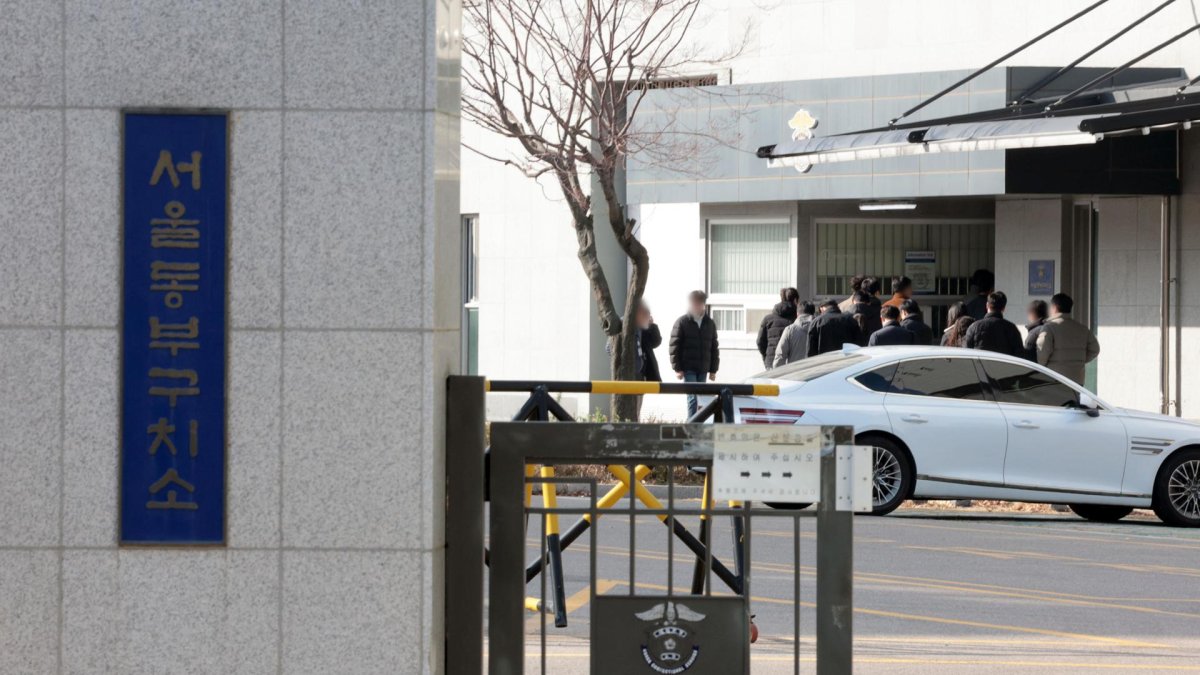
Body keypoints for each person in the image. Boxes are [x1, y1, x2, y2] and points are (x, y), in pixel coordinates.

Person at [670, 290, 720, 418]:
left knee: (701, 398)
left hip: (703, 368)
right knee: (692, 398)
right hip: (688, 368)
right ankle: (691, 425)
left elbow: (714, 347)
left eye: (698, 303)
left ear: (703, 305)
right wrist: (678, 369)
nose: (695, 306)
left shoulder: (710, 323)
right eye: (693, 303)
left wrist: (713, 370)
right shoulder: (682, 322)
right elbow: (674, 346)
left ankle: (697, 424)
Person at [1037, 292, 1101, 386]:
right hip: (1077, 380)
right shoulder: (1082, 328)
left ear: (1054, 307)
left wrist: (1041, 369)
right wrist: (1079, 361)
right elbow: (1095, 350)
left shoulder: (1049, 328)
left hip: (1055, 379)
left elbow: (1042, 353)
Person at [964, 291, 1024, 357]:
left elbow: (967, 353)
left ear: (987, 305)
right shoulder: (1012, 329)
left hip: (980, 363)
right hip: (1003, 363)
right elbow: (1019, 354)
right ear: (1003, 308)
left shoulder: (974, 327)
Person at [756, 287, 799, 369]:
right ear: (795, 300)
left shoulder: (768, 319)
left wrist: (767, 357)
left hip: (771, 362)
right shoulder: (797, 320)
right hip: (793, 363)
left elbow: (760, 342)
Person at [772, 301, 816, 367]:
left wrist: (777, 371)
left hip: (795, 370)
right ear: (813, 313)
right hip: (815, 371)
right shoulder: (819, 329)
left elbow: (780, 355)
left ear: (797, 314)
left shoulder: (790, 330)